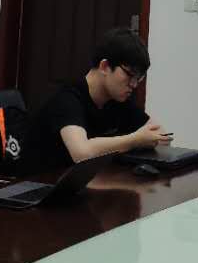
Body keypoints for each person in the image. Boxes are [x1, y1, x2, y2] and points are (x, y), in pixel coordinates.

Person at [23, 28, 171, 174]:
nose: (134, 85)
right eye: (130, 75)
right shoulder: (68, 99)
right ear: (105, 67)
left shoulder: (117, 98)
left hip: (84, 180)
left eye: (139, 78)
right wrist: (134, 140)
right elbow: (81, 153)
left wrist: (141, 139)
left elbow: (163, 136)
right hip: (40, 182)